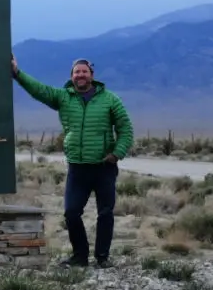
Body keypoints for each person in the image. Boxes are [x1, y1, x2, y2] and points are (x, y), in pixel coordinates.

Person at [11, 54, 134, 268]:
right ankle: (80, 256)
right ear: (71, 76)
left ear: (92, 75)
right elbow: (38, 90)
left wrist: (117, 153)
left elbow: (126, 129)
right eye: (77, 72)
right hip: (77, 168)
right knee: (71, 212)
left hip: (104, 167)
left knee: (105, 213)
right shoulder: (63, 98)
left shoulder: (110, 99)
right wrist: (16, 73)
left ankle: (103, 257)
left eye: (84, 71)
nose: (80, 75)